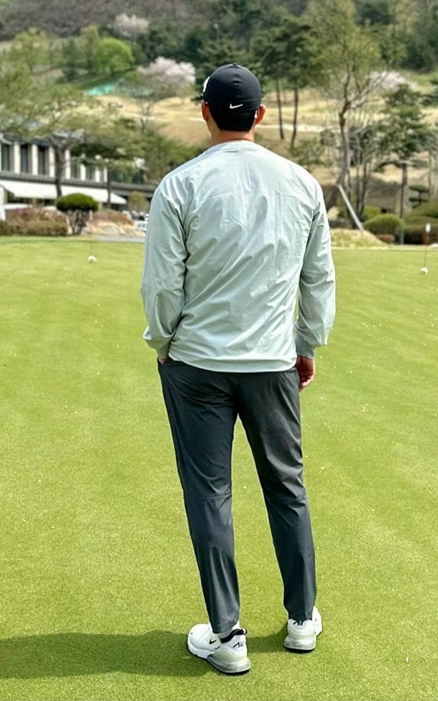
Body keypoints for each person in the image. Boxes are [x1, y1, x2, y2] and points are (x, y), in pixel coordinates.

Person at [140, 63, 336, 676]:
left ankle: (227, 637)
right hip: (273, 362)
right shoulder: (302, 184)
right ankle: (301, 620)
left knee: (209, 494)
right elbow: (318, 281)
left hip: (196, 362)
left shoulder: (179, 186)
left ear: (205, 112)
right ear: (260, 114)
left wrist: (163, 342)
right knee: (287, 486)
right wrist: (308, 344)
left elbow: (162, 286)